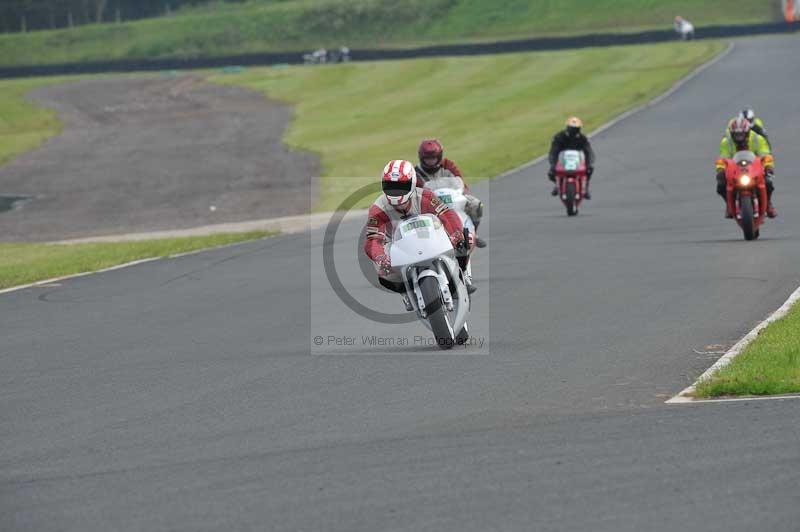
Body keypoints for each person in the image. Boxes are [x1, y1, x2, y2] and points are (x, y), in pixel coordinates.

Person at [364, 160, 476, 309]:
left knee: (465, 238)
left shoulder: (425, 196)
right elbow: (373, 239)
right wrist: (380, 257)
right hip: (399, 247)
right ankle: (405, 291)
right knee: (382, 271)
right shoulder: (377, 208)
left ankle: (463, 276)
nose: (396, 192)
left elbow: (447, 214)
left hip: (432, 237)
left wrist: (456, 235)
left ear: (412, 184)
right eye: (390, 186)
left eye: (401, 186)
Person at [415, 139, 487, 248]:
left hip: (453, 198)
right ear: (421, 158)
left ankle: (473, 234)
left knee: (476, 204)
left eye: (433, 158)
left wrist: (462, 193)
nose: (430, 162)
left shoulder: (447, 165)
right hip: (431, 204)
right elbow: (417, 193)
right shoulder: (416, 173)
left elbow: (460, 182)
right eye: (427, 159)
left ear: (439, 157)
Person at [716, 116, 776, 218]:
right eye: (736, 135)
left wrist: (768, 167)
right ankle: (729, 206)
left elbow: (766, 154)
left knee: (768, 182)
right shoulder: (726, 142)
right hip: (735, 169)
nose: (739, 137)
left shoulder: (757, 139)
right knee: (721, 185)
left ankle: (768, 204)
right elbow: (722, 158)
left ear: (747, 132)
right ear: (732, 133)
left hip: (754, 168)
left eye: (741, 134)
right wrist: (720, 170)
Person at [548, 117, 596, 199]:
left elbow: (588, 151)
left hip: (578, 159)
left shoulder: (582, 138)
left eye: (577, 128)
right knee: (551, 172)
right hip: (562, 160)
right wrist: (553, 164)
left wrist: (589, 163)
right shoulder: (559, 137)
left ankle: (585, 187)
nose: (574, 130)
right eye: (572, 128)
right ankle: (557, 184)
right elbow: (553, 152)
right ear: (567, 127)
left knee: (590, 169)